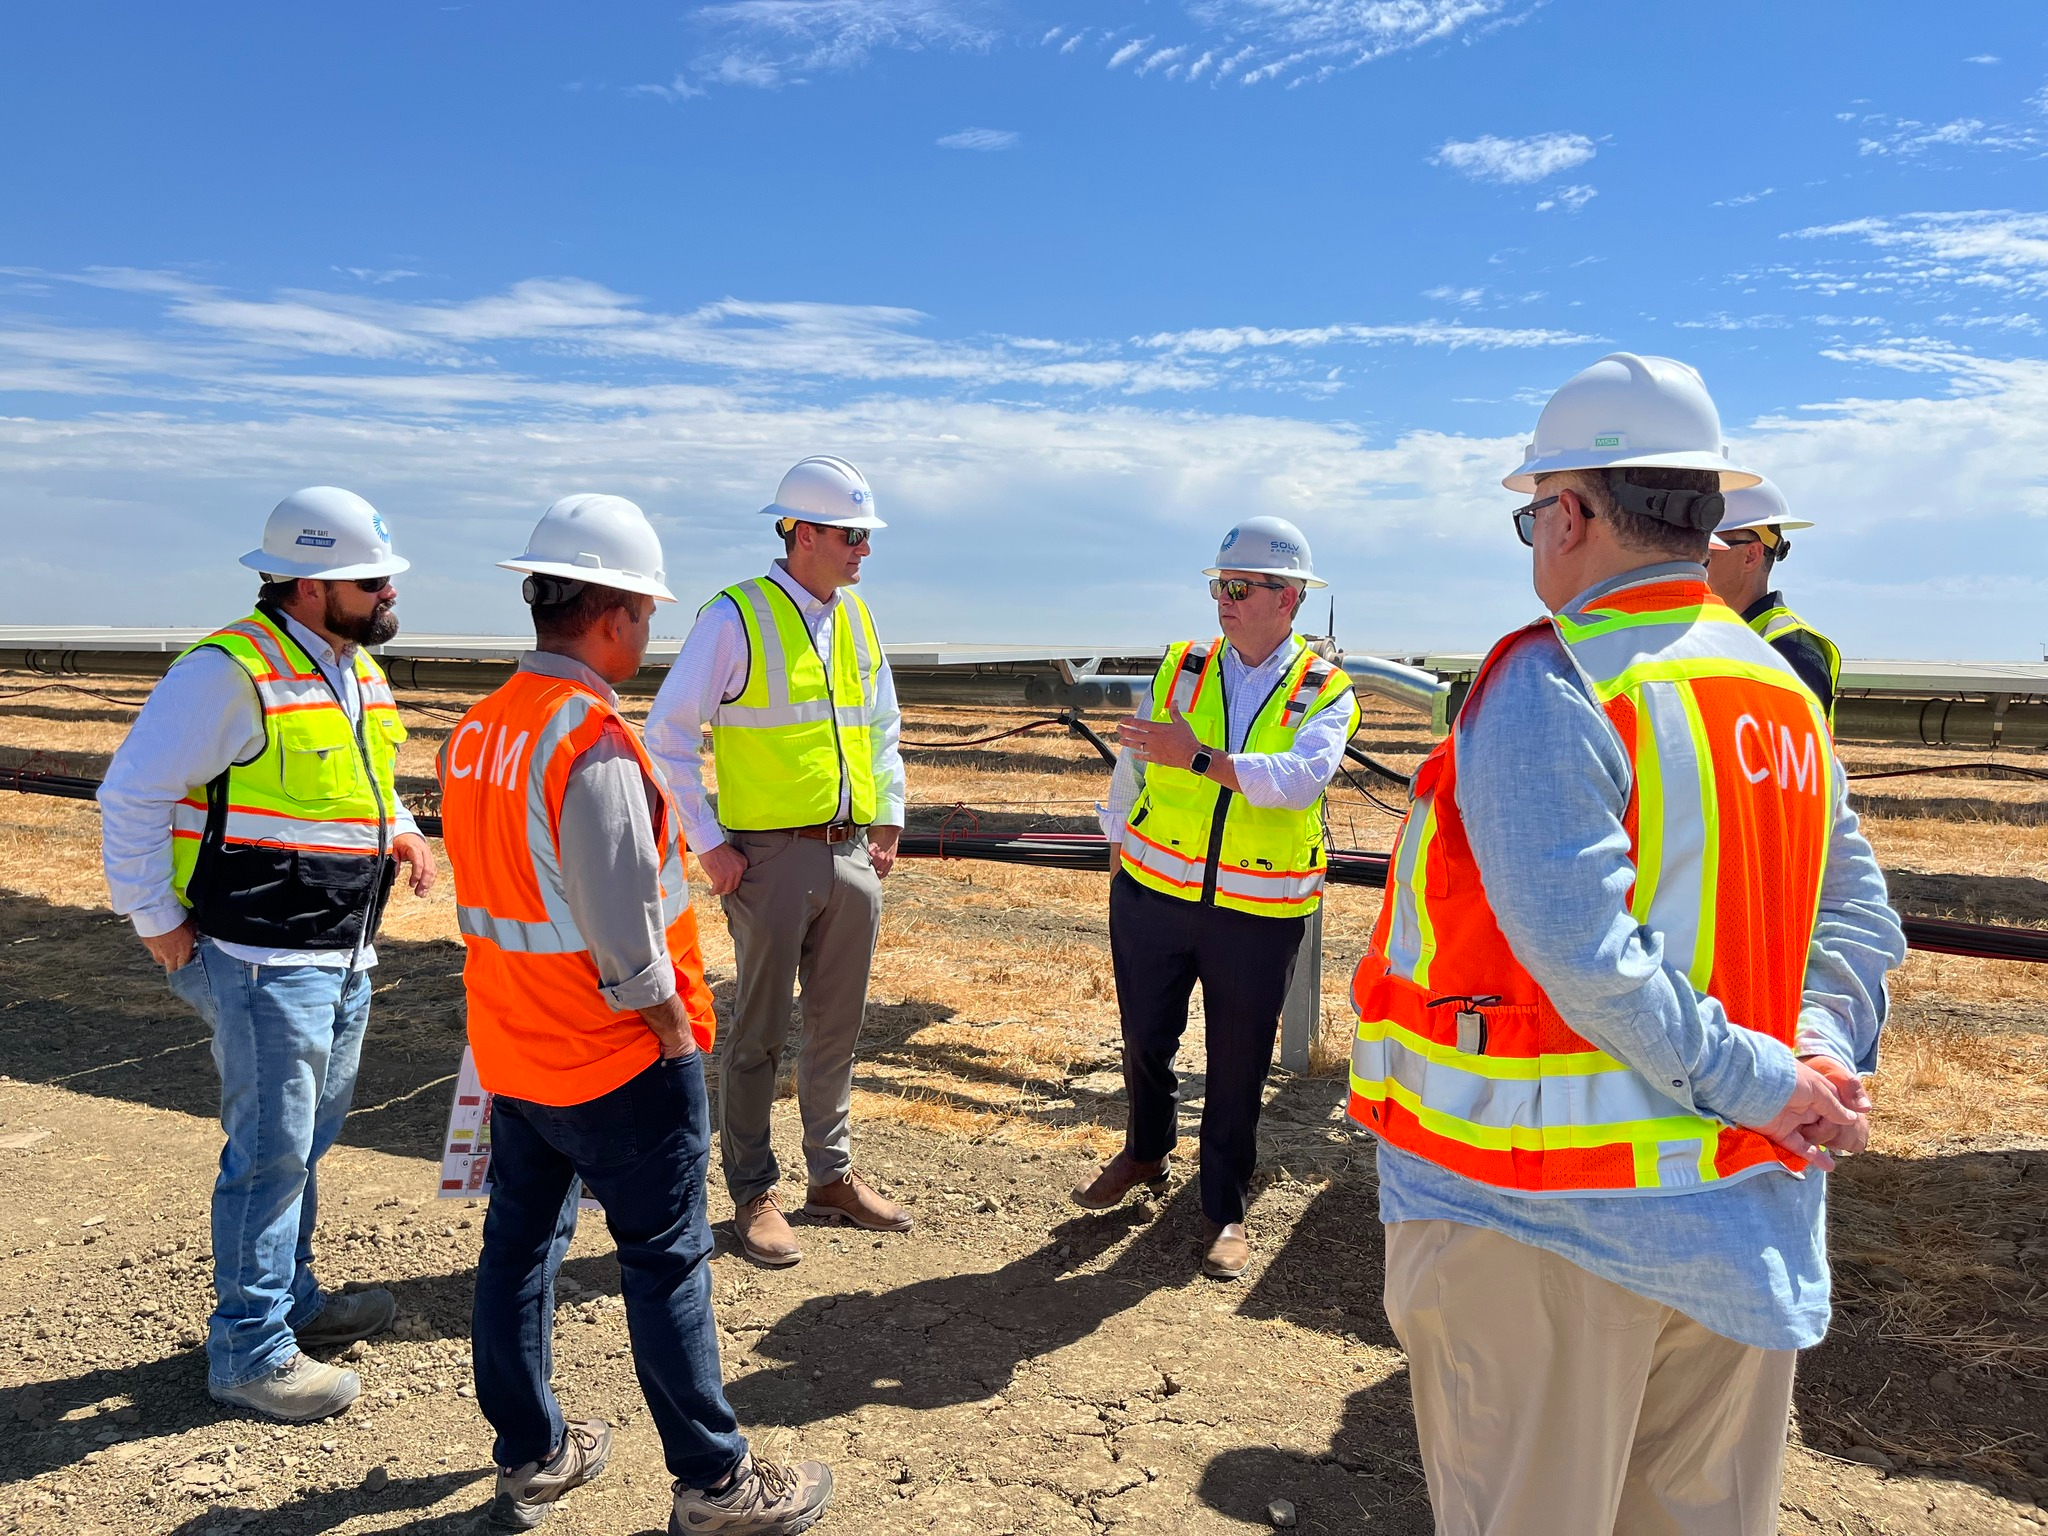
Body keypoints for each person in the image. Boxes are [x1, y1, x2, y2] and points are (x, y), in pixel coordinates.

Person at [1346, 353, 1905, 1536]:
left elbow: (1584, 951)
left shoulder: (1554, 682)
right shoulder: (1775, 692)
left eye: (1530, 514)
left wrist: (1766, 1082)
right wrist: (1810, 1063)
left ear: (1571, 512)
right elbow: (1853, 917)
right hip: (1738, 1219)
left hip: (1541, 1223)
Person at [438, 493, 832, 1534]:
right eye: (646, 613)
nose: (649, 634)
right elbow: (624, 937)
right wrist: (668, 1032)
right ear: (612, 613)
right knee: (665, 1265)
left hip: (511, 1044)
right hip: (610, 1057)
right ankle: (715, 1485)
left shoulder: (480, 729)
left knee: (516, 1252)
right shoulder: (593, 744)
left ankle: (532, 1455)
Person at [98, 486, 437, 1421]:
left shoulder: (355, 670)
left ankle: (291, 1301)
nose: (387, 596)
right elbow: (130, 796)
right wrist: (154, 917)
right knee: (270, 1155)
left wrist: (400, 829)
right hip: (257, 957)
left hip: (340, 953)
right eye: (370, 582)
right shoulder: (227, 672)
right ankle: (249, 1351)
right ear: (304, 583)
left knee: (305, 1142)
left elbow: (363, 781)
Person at [1075, 516, 1359, 1280]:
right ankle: (1143, 1154)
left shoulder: (1324, 689)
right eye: (1218, 586)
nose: (1223, 600)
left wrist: (1197, 757)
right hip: (1153, 895)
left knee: (1238, 1066)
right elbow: (1134, 766)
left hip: (1257, 912)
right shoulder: (1181, 666)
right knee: (1143, 1042)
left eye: (1239, 587)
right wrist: (1117, 853)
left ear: (1289, 598)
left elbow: (1299, 779)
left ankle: (1225, 1207)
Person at [645, 455, 909, 1270]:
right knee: (758, 1032)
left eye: (867, 535)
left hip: (849, 851)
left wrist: (889, 815)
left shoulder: (857, 619)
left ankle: (830, 1177)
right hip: (767, 859)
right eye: (851, 534)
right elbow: (668, 735)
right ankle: (753, 1191)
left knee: (839, 1027)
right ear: (800, 532)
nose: (864, 549)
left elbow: (883, 725)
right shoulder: (735, 618)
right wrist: (709, 842)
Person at [1705, 474, 1841, 724]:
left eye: (1707, 551)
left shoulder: (1792, 649)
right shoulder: (1716, 632)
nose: (1693, 561)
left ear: (1751, 556)